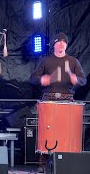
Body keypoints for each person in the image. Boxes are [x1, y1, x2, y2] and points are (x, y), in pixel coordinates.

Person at [30, 32, 86, 173]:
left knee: (65, 130)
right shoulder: (46, 61)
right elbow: (33, 78)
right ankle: (43, 164)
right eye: (59, 41)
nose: (62, 44)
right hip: (49, 98)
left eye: (64, 42)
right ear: (54, 44)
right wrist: (42, 80)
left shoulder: (73, 61)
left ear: (66, 45)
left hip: (67, 99)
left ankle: (66, 162)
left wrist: (76, 80)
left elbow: (83, 80)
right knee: (47, 130)